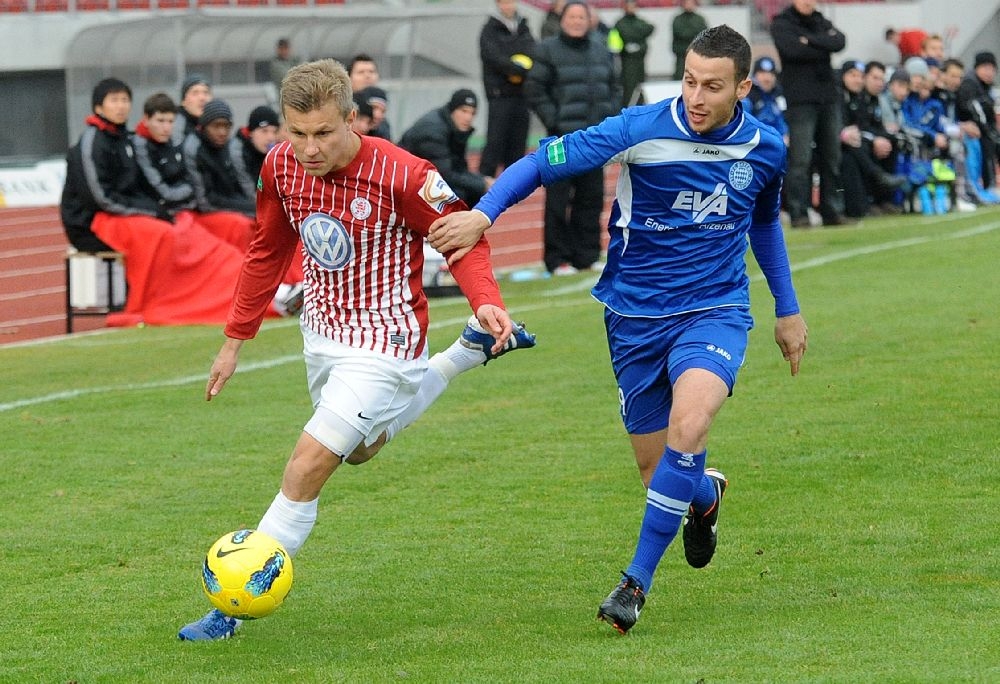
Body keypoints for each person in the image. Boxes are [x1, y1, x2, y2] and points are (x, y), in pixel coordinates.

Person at [427, 24, 808, 636]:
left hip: (715, 309)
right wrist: (482, 215)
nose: (696, 96)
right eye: (689, 80)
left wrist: (786, 309)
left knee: (691, 424)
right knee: (659, 472)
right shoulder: (639, 127)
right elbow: (540, 161)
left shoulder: (765, 146)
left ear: (743, 87)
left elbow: (764, 225)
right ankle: (702, 495)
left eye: (713, 86)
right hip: (632, 317)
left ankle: (635, 583)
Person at [177, 58, 537, 641]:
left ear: (352, 118)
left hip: (386, 340)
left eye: (323, 132)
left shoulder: (404, 175)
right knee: (362, 451)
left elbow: (464, 239)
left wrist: (485, 300)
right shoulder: (279, 166)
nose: (309, 147)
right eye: (297, 133)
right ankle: (462, 356)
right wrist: (234, 339)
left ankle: (235, 599)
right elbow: (266, 251)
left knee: (307, 465)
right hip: (321, 333)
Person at [60, 78, 279, 326]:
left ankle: (261, 291)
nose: (120, 106)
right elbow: (99, 196)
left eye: (124, 100)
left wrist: (154, 210)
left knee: (197, 235)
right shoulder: (94, 141)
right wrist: (151, 211)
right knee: (164, 235)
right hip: (92, 221)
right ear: (98, 107)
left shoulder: (124, 139)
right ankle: (153, 304)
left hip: (129, 213)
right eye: (114, 101)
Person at [525, 0, 620, 275]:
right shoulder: (546, 50)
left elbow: (614, 87)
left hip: (594, 140)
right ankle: (557, 259)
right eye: (572, 16)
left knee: (591, 198)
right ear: (563, 20)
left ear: (589, 20)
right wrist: (554, 120)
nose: (577, 21)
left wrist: (608, 118)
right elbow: (535, 90)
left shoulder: (601, 49)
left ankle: (587, 256)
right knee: (558, 198)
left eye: (582, 17)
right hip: (561, 140)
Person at [770, 0, 852, 227]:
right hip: (800, 100)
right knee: (800, 159)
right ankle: (799, 214)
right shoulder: (782, 23)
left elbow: (840, 41)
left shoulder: (819, 20)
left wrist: (810, 41)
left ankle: (832, 211)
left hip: (827, 97)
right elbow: (792, 49)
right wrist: (823, 44)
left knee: (832, 157)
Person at [399, 89, 493, 207]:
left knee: (473, 191)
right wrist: (482, 184)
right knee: (461, 195)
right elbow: (444, 174)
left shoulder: (454, 128)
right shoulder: (433, 131)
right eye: (464, 111)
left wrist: (482, 180)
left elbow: (459, 168)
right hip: (407, 182)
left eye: (472, 113)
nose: (468, 117)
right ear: (453, 109)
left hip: (425, 178)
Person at [838, 60, 906, 218]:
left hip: (858, 139)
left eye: (881, 79)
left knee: (891, 142)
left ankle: (885, 200)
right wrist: (874, 139)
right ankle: (877, 180)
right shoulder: (839, 97)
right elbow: (852, 128)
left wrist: (881, 137)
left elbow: (868, 127)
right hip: (843, 143)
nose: (857, 80)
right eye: (853, 75)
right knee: (859, 147)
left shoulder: (864, 99)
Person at [478, 0, 536, 178]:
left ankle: (514, 181)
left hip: (521, 94)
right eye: (503, 2)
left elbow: (531, 51)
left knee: (518, 141)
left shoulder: (524, 28)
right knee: (495, 140)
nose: (507, 5)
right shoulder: (489, 30)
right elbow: (493, 57)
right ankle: (484, 182)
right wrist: (514, 68)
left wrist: (522, 69)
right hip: (500, 94)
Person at [182, 99, 256, 219]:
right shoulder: (194, 149)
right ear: (204, 126)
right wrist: (252, 210)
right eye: (216, 126)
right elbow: (205, 201)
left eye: (226, 126)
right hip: (202, 212)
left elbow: (233, 189)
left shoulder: (225, 146)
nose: (222, 132)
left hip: (225, 202)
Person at [132, 92, 196, 217]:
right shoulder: (141, 146)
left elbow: (188, 176)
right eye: (160, 121)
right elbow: (164, 193)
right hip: (159, 213)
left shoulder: (172, 141)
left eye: (171, 121)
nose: (166, 128)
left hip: (181, 207)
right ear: (146, 120)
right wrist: (193, 190)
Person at [956, 51, 999, 196]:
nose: (989, 72)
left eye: (992, 68)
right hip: (973, 131)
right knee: (988, 144)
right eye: (985, 67)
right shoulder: (970, 83)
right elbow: (973, 109)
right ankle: (988, 186)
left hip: (982, 129)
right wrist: (989, 130)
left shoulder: (985, 87)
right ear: (977, 68)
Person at [231, 105, 281, 199]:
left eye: (274, 132)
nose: (271, 138)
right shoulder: (238, 151)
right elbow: (250, 193)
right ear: (251, 132)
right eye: (264, 131)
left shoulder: (276, 151)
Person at [612, 0, 655, 108]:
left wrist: (636, 42)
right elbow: (619, 40)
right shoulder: (619, 23)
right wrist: (636, 37)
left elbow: (650, 28)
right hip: (627, 61)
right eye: (629, 6)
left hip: (640, 60)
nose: (631, 8)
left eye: (633, 6)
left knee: (641, 87)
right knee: (629, 88)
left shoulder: (640, 22)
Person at [742, 56, 789, 146]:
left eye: (771, 74)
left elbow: (783, 122)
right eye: (762, 74)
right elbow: (745, 126)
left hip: (777, 145)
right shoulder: (748, 97)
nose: (767, 78)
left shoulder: (778, 96)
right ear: (755, 76)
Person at [348, 55, 391, 140]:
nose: (367, 76)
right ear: (349, 78)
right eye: (361, 72)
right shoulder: (341, 110)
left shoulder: (383, 125)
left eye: (371, 72)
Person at [671, 0, 708, 81]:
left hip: (697, 52)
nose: (689, 5)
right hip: (682, 53)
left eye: (691, 3)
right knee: (680, 75)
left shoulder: (699, 19)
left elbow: (705, 33)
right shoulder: (678, 19)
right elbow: (680, 33)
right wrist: (694, 33)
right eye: (687, 3)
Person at [171, 74, 212, 146]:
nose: (202, 98)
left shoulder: (214, 124)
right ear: (183, 101)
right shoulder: (176, 125)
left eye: (206, 93)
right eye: (195, 93)